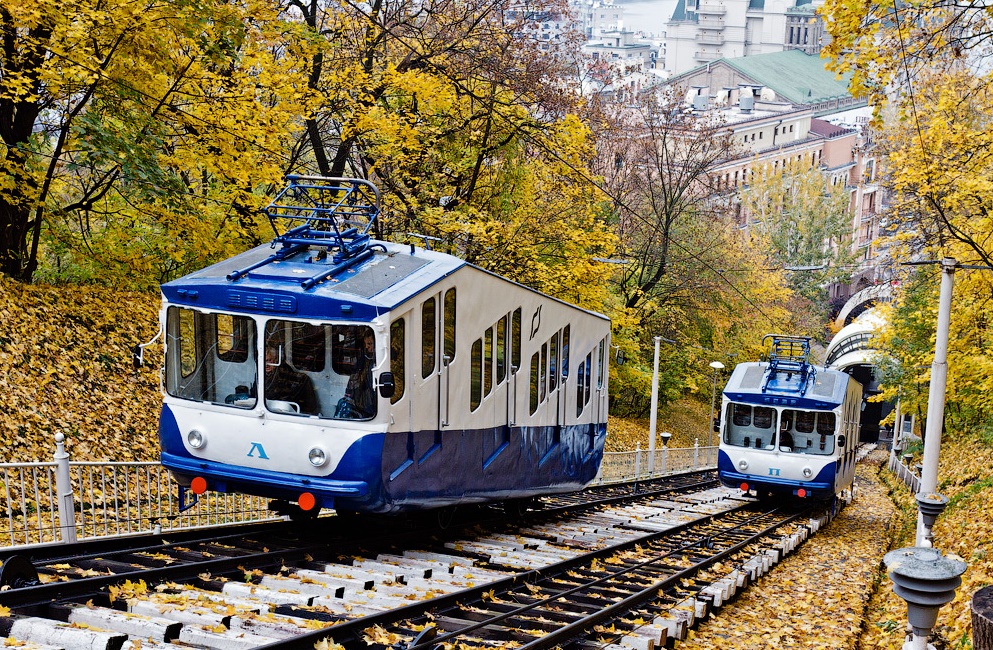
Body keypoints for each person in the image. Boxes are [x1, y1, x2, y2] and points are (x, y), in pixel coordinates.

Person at [263, 344, 320, 415]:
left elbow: (284, 400)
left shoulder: (286, 375)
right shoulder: (260, 375)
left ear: (276, 360)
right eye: (263, 361)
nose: (266, 364)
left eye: (269, 360)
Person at [339, 331, 376, 419]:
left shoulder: (375, 360)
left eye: (370, 344)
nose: (367, 347)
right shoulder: (364, 357)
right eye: (366, 344)